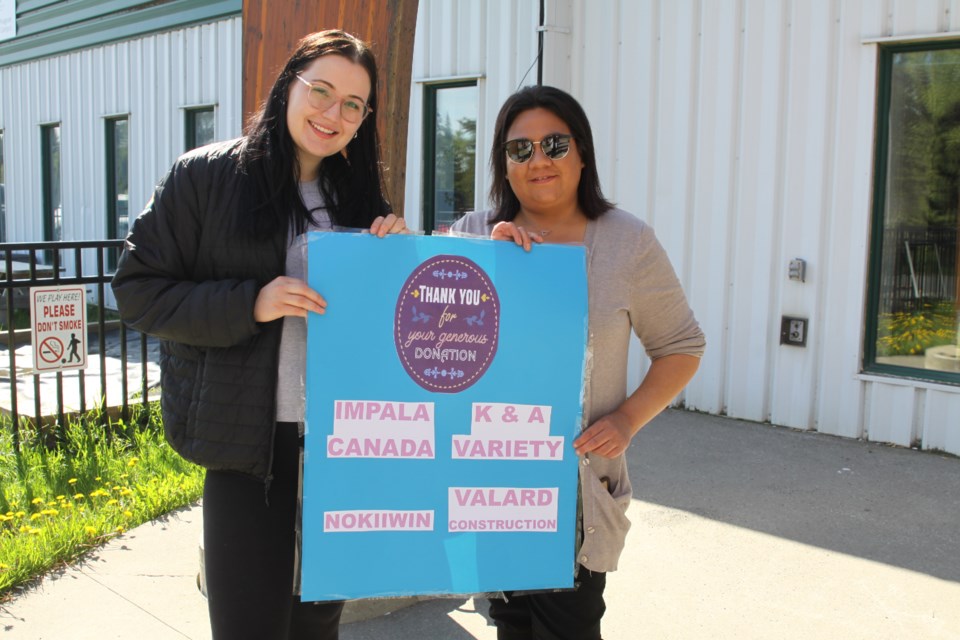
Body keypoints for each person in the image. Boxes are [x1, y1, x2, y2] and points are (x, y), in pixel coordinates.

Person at [111, 30, 406, 640]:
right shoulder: (205, 177)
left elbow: (381, 330)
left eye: (353, 104)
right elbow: (138, 291)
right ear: (287, 87)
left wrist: (395, 264)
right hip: (247, 447)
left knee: (318, 624)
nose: (334, 114)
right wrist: (253, 302)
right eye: (321, 91)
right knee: (249, 627)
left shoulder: (358, 196)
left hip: (341, 449)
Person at [451, 85, 706, 640]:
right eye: (520, 149)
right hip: (490, 484)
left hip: (576, 493)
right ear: (503, 163)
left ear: (582, 153)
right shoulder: (471, 235)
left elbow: (682, 346)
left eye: (555, 144)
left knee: (568, 627)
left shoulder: (627, 242)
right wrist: (483, 264)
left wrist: (627, 419)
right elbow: (428, 340)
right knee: (511, 624)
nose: (538, 160)